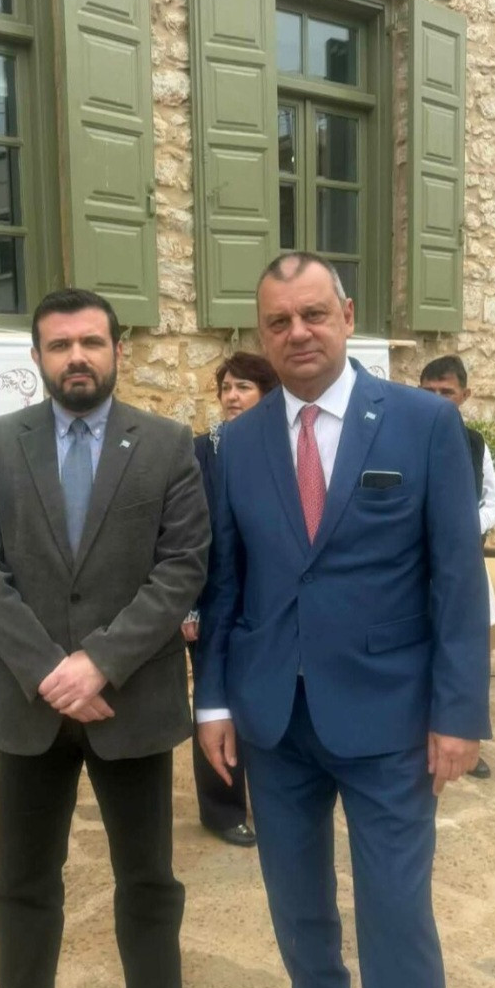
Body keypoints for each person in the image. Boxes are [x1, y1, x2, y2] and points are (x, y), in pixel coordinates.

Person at [194, 253, 490, 988]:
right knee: (297, 908)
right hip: (274, 721)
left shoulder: (422, 423)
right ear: (261, 334)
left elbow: (455, 576)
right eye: (279, 321)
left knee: (396, 919)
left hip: (389, 721)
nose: (299, 333)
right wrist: (214, 701)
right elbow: (226, 582)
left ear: (348, 315)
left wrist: (458, 712)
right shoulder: (238, 443)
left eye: (314, 314)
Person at [0, 288, 210, 988]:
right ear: (36, 356)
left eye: (91, 342)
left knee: (149, 883)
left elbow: (182, 566)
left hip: (129, 704)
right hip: (28, 710)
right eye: (60, 344)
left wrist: (99, 660)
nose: (77, 357)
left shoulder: (167, 445)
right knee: (21, 885)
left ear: (117, 351)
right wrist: (50, 672)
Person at [182, 352, 279, 847]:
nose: (232, 396)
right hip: (211, 602)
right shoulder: (201, 452)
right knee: (214, 702)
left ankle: (274, 798)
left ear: (268, 394)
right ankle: (222, 809)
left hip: (267, 601)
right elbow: (182, 534)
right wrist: (188, 605)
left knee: (264, 699)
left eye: (243, 387)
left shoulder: (281, 450)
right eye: (226, 388)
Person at [419, 353, 495, 780]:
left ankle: (465, 735)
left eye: (446, 392)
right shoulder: (401, 437)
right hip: (414, 569)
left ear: (465, 395)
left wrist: (458, 527)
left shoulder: (474, 443)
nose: (438, 399)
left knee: (467, 651)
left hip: (462, 566)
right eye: (429, 392)